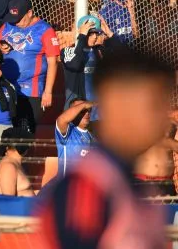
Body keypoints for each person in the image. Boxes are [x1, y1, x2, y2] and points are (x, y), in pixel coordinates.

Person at [38, 47, 173, 248]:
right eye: (154, 105)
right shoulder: (88, 189)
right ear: (117, 103)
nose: (163, 117)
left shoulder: (125, 181)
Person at [0, 0, 61, 133]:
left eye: (20, 19)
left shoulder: (45, 30)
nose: (16, 22)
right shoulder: (8, 25)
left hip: (30, 91)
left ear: (30, 13)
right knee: (5, 131)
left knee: (25, 133)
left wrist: (48, 91)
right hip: (6, 88)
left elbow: (52, 62)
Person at [54, 98, 94, 176]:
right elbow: (61, 119)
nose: (86, 113)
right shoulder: (68, 131)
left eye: (88, 110)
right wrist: (84, 105)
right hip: (68, 186)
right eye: (81, 110)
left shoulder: (92, 136)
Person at [0, 128, 34, 196]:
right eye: (30, 144)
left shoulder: (15, 164)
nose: (31, 147)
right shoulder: (8, 167)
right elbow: (9, 201)